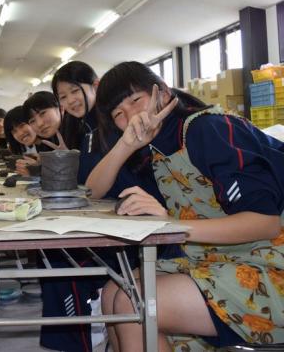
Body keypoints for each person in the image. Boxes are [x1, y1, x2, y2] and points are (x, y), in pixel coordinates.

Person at [94, 61, 284, 351]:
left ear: (164, 92)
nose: (131, 116)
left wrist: (170, 224)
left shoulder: (208, 129)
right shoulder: (156, 148)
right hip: (218, 258)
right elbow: (93, 191)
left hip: (268, 264)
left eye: (135, 101)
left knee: (134, 302)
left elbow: (264, 223)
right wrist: (126, 145)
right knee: (114, 292)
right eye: (119, 114)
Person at [37, 61, 167, 352]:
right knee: (53, 252)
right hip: (114, 214)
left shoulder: (112, 124)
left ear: (95, 85)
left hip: (138, 220)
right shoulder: (85, 130)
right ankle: (78, 337)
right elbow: (92, 185)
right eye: (62, 97)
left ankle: (79, 338)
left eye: (75, 91)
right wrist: (67, 159)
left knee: (62, 257)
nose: (70, 100)